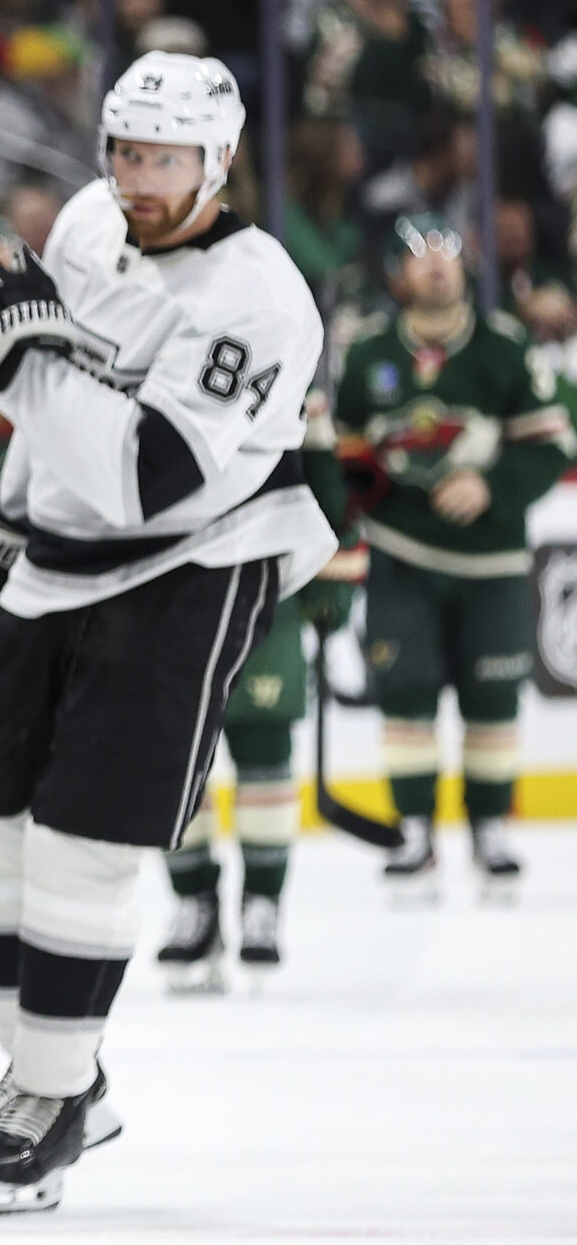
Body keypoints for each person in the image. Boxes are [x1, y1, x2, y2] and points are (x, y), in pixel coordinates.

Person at [0, 51, 337, 1217]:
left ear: (218, 162)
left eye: (163, 159)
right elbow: (54, 419)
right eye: (122, 152)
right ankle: (42, 1079)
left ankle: (55, 1095)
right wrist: (1, 517)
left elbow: (143, 480)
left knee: (82, 839)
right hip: (57, 558)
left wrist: (11, 359)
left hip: (190, 561)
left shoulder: (257, 299)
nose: (137, 178)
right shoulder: (86, 225)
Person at [335, 213, 574, 885]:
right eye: (418, 253)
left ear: (465, 265)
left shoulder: (503, 347)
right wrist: (350, 501)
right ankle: (415, 832)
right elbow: (344, 454)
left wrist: (490, 484)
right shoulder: (369, 353)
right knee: (405, 693)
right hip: (399, 555)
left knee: (493, 695)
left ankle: (490, 829)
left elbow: (552, 441)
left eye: (447, 250)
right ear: (397, 273)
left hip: (490, 562)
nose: (436, 263)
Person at [155, 390, 360, 987]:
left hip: (264, 584)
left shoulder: (283, 353)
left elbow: (321, 483)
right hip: (170, 587)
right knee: (172, 763)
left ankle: (262, 906)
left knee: (266, 753)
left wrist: (331, 576)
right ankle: (193, 902)